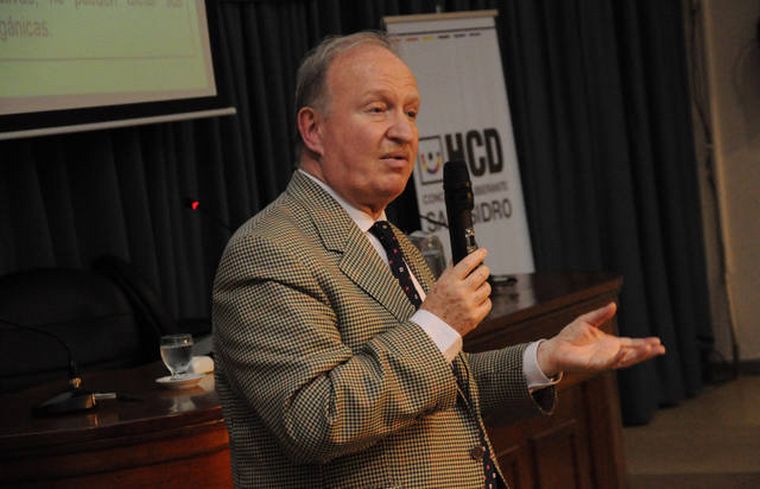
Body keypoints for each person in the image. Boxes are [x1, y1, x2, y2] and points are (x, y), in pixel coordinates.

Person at [212, 31, 665, 489]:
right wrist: (438, 323)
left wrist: (544, 358)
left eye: (411, 112)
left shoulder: (391, 240)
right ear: (314, 130)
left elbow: (444, 384)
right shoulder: (269, 250)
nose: (403, 132)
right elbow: (318, 418)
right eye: (377, 109)